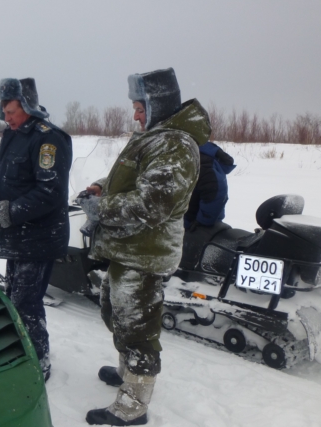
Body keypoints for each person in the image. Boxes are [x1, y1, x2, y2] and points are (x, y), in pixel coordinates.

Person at [78, 68, 210, 425]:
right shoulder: (155, 137)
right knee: (115, 312)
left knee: (138, 329)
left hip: (145, 254)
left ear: (157, 103)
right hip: (128, 249)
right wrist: (100, 188)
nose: (135, 114)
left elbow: (152, 204)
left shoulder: (174, 144)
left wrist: (100, 209)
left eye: (139, 106)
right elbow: (130, 179)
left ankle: (133, 404)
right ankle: (128, 373)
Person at [0, 78, 72, 382]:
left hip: (40, 237)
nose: (6, 117)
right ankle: (23, 351)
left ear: (29, 107)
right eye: (4, 111)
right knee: (14, 298)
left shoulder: (48, 139)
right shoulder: (14, 136)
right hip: (19, 235)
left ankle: (38, 362)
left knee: (26, 302)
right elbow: (8, 184)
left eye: (12, 111)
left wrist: (6, 212)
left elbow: (50, 193)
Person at [183, 140, 235, 230]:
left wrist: (203, 221)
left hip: (194, 226)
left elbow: (215, 193)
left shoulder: (202, 162)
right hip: (179, 221)